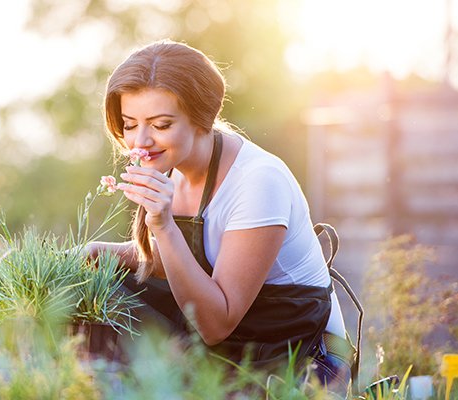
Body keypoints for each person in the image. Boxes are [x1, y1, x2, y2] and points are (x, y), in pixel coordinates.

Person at [82, 40, 357, 397]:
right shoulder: (173, 166)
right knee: (92, 295)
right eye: (130, 124)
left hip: (300, 359)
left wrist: (162, 224)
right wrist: (91, 254)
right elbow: (172, 263)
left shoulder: (258, 182)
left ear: (202, 118)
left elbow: (215, 324)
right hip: (236, 345)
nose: (141, 141)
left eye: (161, 124)